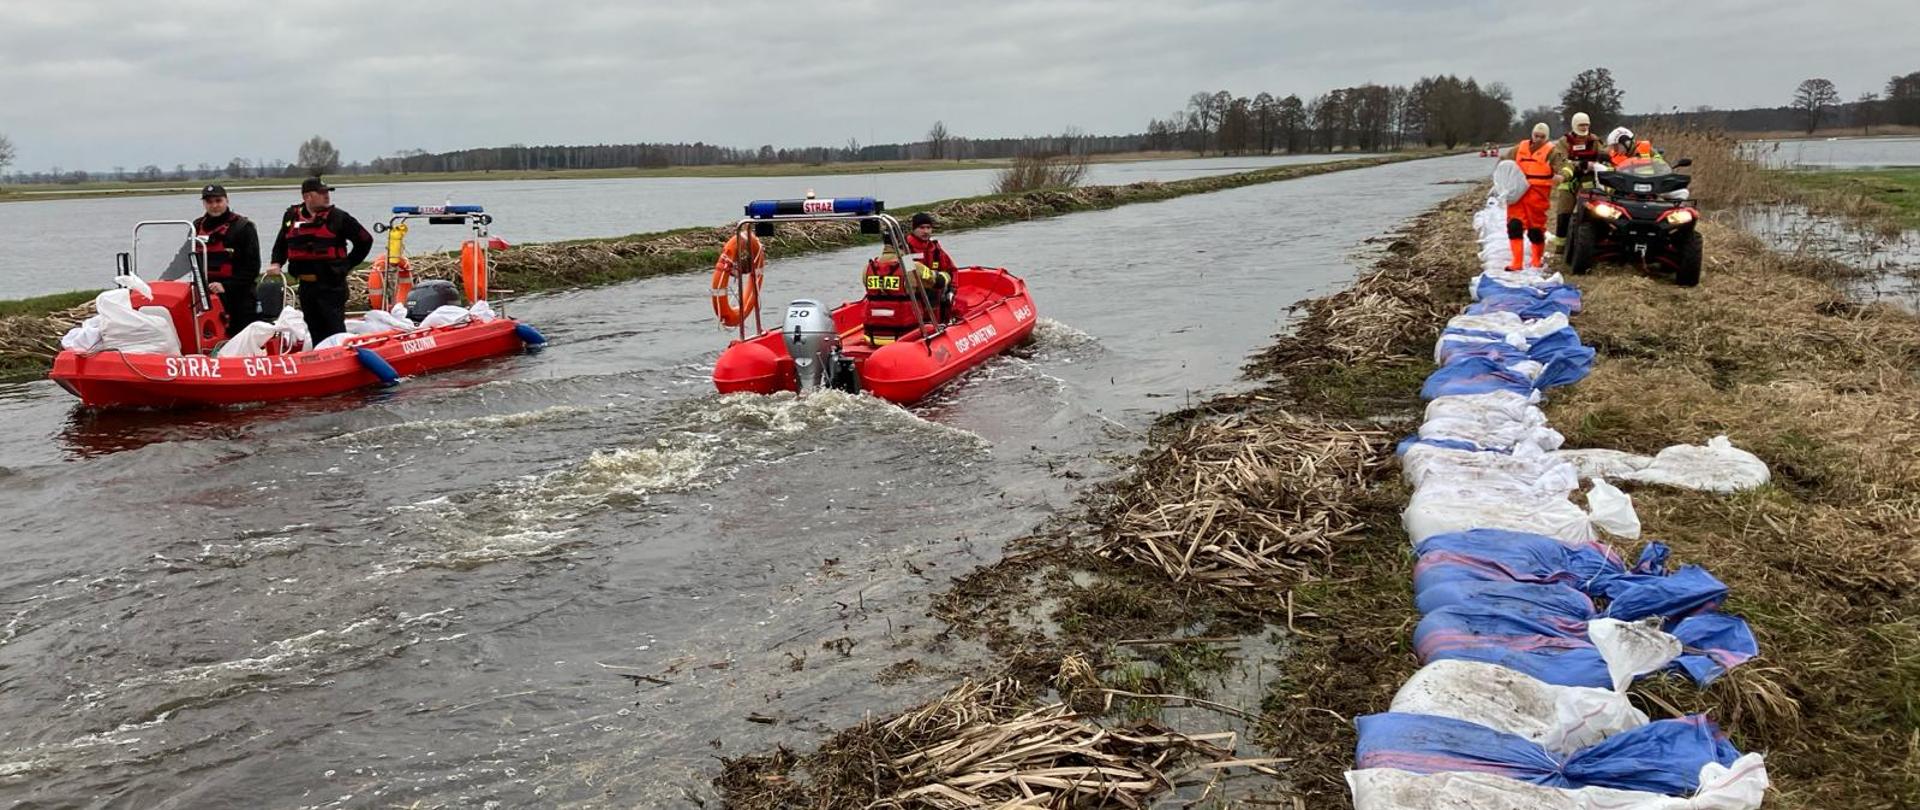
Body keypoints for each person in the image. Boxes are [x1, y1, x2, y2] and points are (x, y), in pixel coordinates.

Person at [269, 177, 372, 343]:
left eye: (327, 192)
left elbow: (365, 240)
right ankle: (319, 354)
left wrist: (346, 264)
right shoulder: (291, 217)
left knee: (334, 327)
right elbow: (282, 242)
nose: (327, 196)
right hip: (306, 285)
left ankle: (340, 356)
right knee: (314, 326)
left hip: (331, 284)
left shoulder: (338, 217)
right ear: (308, 197)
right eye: (322, 193)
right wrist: (276, 262)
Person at [178, 184, 262, 337]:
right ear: (204, 204)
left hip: (238, 295)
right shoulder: (197, 225)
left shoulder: (243, 227)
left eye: (218, 201)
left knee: (239, 336)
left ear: (226, 200)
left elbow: (253, 267)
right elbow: (183, 259)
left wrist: (226, 286)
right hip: (205, 295)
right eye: (209, 202)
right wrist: (165, 279)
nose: (214, 205)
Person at [1502, 123, 1556, 271]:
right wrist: (1501, 180)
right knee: (1514, 226)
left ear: (1547, 137)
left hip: (1537, 196)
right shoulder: (1519, 148)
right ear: (1532, 135)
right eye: (1536, 136)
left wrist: (1562, 175)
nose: (1538, 139)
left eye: (1542, 137)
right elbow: (1504, 162)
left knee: (1536, 230)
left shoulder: (1551, 151)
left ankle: (1536, 260)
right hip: (1517, 193)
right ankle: (1517, 262)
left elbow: (1563, 165)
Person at [1551, 113, 1604, 243]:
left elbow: (1603, 157)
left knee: (1589, 213)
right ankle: (1561, 245)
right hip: (1568, 180)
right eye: (1581, 125)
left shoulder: (1594, 140)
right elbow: (1560, 160)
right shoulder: (1564, 141)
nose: (1584, 127)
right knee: (1564, 213)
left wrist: (1595, 165)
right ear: (1575, 125)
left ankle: (1588, 243)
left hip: (1587, 180)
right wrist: (1576, 165)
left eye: (1586, 124)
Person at [903, 212, 956, 319]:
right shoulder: (905, 248)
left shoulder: (935, 249)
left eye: (928, 228)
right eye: (922, 228)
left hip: (934, 298)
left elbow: (952, 270)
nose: (926, 231)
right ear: (913, 229)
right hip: (913, 300)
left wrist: (952, 290)